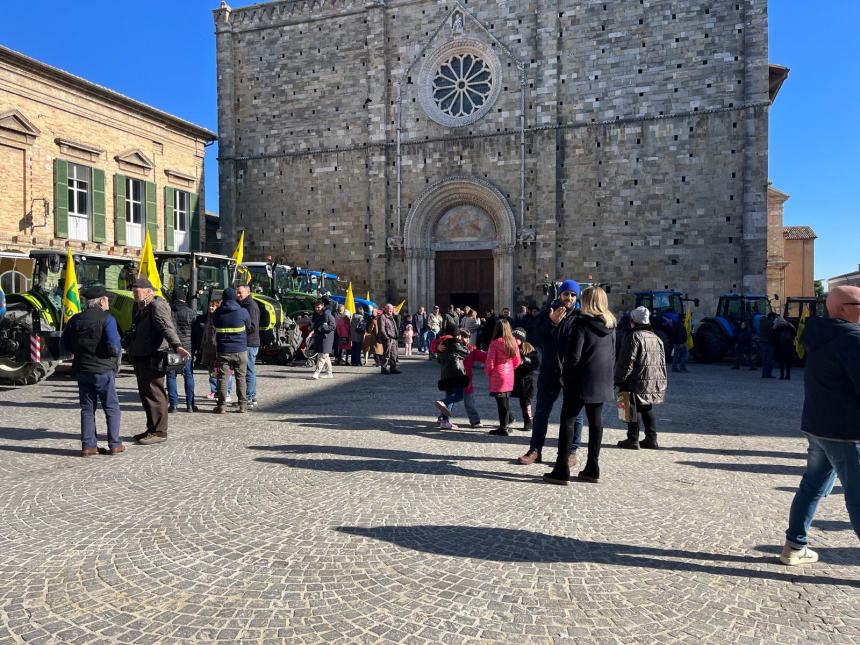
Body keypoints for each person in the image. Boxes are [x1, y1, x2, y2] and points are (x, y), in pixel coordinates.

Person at [779, 285, 860, 566]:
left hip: (818, 425)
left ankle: (795, 546)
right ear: (841, 308)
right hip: (847, 431)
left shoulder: (820, 335)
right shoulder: (852, 338)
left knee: (812, 486)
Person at [543, 286, 616, 485]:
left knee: (567, 421)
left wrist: (565, 376)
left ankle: (561, 469)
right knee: (596, 423)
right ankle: (593, 467)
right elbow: (612, 355)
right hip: (601, 380)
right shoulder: (611, 324)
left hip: (580, 380)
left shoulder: (581, 323)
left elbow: (573, 356)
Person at [517, 279, 585, 466]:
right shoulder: (548, 312)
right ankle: (535, 450)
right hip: (549, 371)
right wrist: (552, 322)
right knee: (541, 413)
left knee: (575, 416)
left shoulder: (580, 317)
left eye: (572, 295)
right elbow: (536, 337)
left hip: (571, 374)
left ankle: (571, 451)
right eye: (566, 294)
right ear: (560, 295)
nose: (569, 298)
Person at [126, 277, 190, 445]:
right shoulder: (141, 306)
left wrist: (177, 345)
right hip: (141, 355)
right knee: (146, 394)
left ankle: (160, 431)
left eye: (136, 290)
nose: (134, 293)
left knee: (155, 393)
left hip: (153, 356)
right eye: (133, 290)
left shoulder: (157, 305)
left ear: (149, 291)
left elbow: (166, 326)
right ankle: (151, 428)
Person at [61, 285, 123, 457]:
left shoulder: (74, 319)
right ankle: (115, 444)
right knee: (111, 407)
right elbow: (113, 346)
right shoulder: (107, 319)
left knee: (87, 409)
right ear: (102, 301)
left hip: (82, 370)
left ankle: (89, 446)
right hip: (103, 371)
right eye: (107, 299)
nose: (108, 301)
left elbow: (64, 344)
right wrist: (113, 357)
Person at [615, 306, 668, 450]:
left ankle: (632, 438)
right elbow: (662, 363)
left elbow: (626, 361)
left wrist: (618, 379)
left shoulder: (634, 336)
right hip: (651, 380)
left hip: (633, 380)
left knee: (628, 406)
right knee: (647, 407)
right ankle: (651, 438)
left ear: (633, 321)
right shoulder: (657, 338)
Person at [212, 288, 251, 413]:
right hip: (240, 350)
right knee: (241, 377)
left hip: (223, 350)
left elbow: (215, 325)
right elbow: (249, 326)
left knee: (222, 378)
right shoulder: (243, 312)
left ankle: (222, 406)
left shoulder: (217, 313)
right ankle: (243, 405)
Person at [483, 319, 522, 436]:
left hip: (498, 374)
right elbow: (517, 361)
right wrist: (510, 369)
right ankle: (506, 423)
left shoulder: (495, 343)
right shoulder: (513, 342)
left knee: (501, 402)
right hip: (509, 373)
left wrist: (488, 372)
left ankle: (503, 427)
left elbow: (490, 362)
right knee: (505, 400)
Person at [166, 287, 198, 413]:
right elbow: (196, 332)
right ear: (184, 298)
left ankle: (173, 405)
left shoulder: (168, 311)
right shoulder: (190, 312)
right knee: (188, 375)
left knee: (171, 376)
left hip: (172, 348)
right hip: (187, 348)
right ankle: (190, 405)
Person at [433, 329, 471, 429]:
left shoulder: (442, 345)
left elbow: (439, 359)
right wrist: (464, 343)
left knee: (450, 396)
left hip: (445, 374)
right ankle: (442, 402)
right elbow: (466, 352)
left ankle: (444, 420)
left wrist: (437, 348)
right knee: (458, 396)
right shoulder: (456, 344)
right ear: (458, 336)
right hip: (456, 373)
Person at [202, 298, 234, 402]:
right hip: (209, 350)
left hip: (219, 349)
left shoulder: (220, 319)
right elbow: (206, 336)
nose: (211, 307)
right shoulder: (209, 319)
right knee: (212, 372)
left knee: (226, 372)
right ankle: (214, 390)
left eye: (213, 306)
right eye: (210, 306)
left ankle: (227, 392)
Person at [511, 327, 540, 432]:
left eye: (516, 338)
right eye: (512, 337)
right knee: (502, 397)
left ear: (521, 339)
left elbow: (535, 364)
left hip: (525, 380)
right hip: (512, 378)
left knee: (524, 401)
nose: (513, 339)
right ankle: (508, 418)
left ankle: (528, 421)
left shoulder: (528, 348)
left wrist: (524, 360)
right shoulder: (510, 347)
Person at [237, 284, 261, 408]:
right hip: (244, 342)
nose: (238, 295)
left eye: (240, 292)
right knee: (244, 370)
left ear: (247, 292)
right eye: (237, 292)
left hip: (250, 342)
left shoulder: (251, 306)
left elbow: (253, 327)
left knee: (249, 370)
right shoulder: (241, 304)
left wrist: (238, 329)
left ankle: (251, 396)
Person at [309, 298, 336, 379]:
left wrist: (323, 327)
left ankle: (316, 373)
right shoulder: (318, 316)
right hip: (320, 339)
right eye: (316, 307)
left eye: (319, 307)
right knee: (325, 356)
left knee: (322, 356)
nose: (317, 309)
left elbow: (333, 326)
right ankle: (329, 373)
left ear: (323, 306)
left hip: (326, 339)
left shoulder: (328, 316)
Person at [379, 303, 401, 374]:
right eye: (389, 308)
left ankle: (393, 368)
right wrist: (386, 337)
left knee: (394, 354)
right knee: (386, 354)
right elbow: (382, 329)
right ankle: (384, 368)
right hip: (388, 338)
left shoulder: (392, 316)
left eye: (392, 308)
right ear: (385, 309)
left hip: (394, 338)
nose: (391, 310)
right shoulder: (383, 316)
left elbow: (398, 324)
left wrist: (396, 315)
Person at [773, 316, 797, 380]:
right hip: (789, 348)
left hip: (781, 348)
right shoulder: (790, 328)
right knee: (788, 363)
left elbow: (775, 338)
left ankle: (781, 375)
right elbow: (795, 335)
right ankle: (788, 375)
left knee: (782, 363)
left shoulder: (778, 328)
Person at [759, 311, 777, 378]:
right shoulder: (768, 323)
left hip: (764, 343)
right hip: (768, 343)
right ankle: (767, 374)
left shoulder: (763, 321)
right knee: (769, 360)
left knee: (765, 360)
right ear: (772, 317)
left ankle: (765, 374)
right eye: (774, 318)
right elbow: (771, 328)